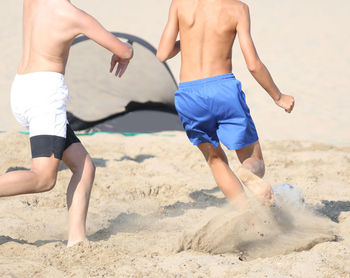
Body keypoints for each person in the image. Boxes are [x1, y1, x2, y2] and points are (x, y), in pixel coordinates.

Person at [0, 0, 133, 247]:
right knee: (43, 178)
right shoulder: (72, 14)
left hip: (22, 87)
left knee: (85, 167)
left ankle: (77, 240)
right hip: (45, 95)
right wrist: (128, 50)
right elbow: (123, 51)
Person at [157, 0, 294, 209]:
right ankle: (248, 173)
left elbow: (162, 54)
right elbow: (253, 64)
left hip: (189, 94)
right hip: (223, 89)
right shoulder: (238, 9)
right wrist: (278, 96)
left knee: (215, 159)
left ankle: (249, 218)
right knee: (252, 158)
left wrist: (187, 39)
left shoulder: (179, 4)